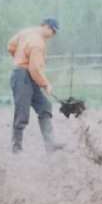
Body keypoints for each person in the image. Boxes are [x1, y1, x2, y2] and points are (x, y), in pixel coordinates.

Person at [6, 17, 64, 153]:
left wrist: (19, 57)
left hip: (25, 74)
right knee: (22, 113)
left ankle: (50, 143)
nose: (53, 35)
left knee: (44, 106)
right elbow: (35, 69)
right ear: (47, 27)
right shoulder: (37, 43)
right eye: (53, 31)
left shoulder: (27, 32)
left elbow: (10, 45)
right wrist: (46, 85)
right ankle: (16, 148)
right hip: (23, 77)